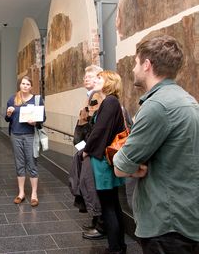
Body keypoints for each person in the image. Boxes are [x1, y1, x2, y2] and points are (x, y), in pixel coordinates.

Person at [114, 35, 199, 254]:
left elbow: (121, 166)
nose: (133, 69)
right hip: (185, 215)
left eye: (135, 63)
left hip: (166, 224)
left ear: (147, 64)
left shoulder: (158, 105)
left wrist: (131, 165)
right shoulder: (187, 99)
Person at [83, 70, 127, 254]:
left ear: (109, 82)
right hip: (106, 159)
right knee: (113, 204)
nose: (96, 80)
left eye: (100, 78)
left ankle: (115, 248)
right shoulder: (111, 101)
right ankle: (119, 246)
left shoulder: (109, 101)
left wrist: (87, 149)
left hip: (102, 160)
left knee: (108, 205)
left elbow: (100, 130)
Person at [73, 65, 106, 240]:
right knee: (88, 185)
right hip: (87, 149)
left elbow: (96, 129)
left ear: (99, 78)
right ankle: (96, 221)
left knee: (93, 187)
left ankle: (101, 225)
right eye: (85, 75)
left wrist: (87, 149)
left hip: (94, 152)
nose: (86, 78)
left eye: (91, 76)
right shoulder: (89, 97)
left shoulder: (100, 99)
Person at [5, 75, 45, 207]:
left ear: (31, 87)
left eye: (28, 84)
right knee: (19, 164)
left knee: (32, 163)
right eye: (23, 83)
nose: (25, 86)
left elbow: (43, 118)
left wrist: (35, 122)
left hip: (30, 136)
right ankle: (21, 193)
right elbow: (7, 119)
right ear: (20, 85)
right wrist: (9, 114)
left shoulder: (37, 100)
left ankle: (34, 194)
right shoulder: (13, 99)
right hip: (15, 135)